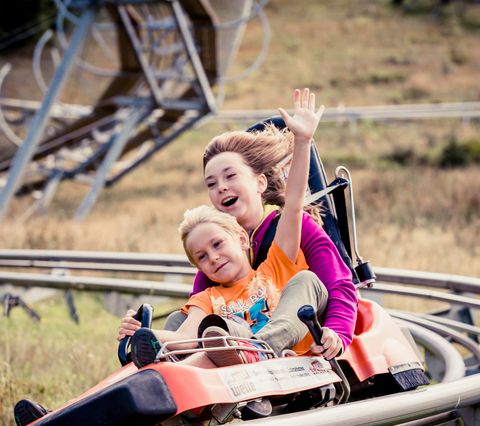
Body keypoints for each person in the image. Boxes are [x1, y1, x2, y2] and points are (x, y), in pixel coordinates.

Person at [120, 88, 350, 369]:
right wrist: (142, 334)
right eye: (211, 184)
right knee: (183, 319)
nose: (221, 187)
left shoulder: (286, 236)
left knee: (304, 280)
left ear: (260, 183)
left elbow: (295, 205)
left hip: (300, 330)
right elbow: (192, 326)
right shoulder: (213, 249)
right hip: (233, 337)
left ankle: (258, 349)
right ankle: (170, 372)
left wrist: (302, 142)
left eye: (230, 176)